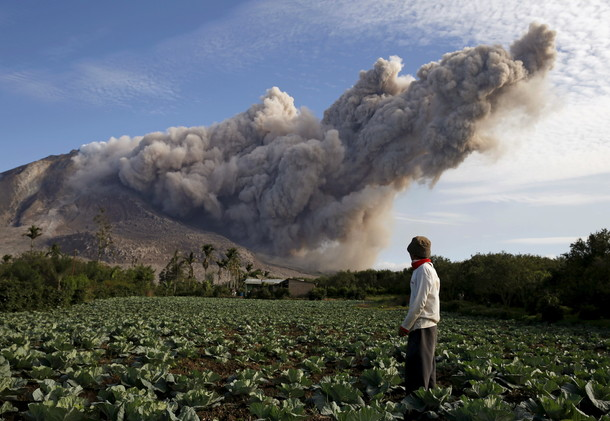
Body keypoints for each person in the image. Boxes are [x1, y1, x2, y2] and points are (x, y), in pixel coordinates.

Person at [399, 236, 440, 395]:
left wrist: (405, 326)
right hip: (427, 326)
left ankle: (417, 407)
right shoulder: (428, 268)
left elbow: (419, 303)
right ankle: (428, 404)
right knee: (426, 369)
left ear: (413, 253)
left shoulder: (423, 270)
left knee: (418, 370)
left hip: (422, 326)